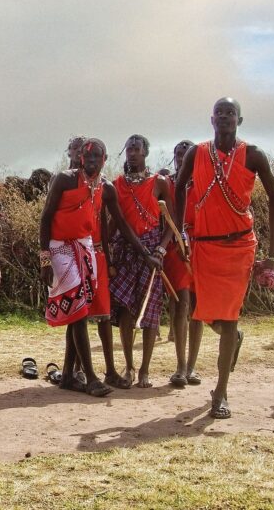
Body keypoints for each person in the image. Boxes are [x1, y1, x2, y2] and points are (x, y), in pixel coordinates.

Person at [174, 98, 274, 419]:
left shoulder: (254, 154)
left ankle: (220, 392)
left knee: (230, 316)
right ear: (211, 119)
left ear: (239, 119)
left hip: (239, 248)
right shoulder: (197, 153)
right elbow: (179, 188)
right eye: (219, 113)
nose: (224, 117)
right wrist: (180, 234)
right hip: (203, 247)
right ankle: (232, 338)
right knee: (202, 312)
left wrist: (273, 256)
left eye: (230, 113)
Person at [40, 139, 161, 398]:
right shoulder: (65, 180)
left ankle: (69, 375)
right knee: (80, 310)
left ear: (105, 159)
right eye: (87, 155)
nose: (92, 160)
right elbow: (46, 217)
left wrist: (145, 254)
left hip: (86, 248)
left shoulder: (106, 188)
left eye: (97, 155)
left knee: (78, 310)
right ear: (81, 158)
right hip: (60, 248)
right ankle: (92, 377)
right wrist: (45, 259)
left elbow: (122, 224)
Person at [109, 135, 173, 388]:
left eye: (137, 149)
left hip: (152, 254)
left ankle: (145, 369)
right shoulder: (117, 185)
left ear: (146, 152)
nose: (132, 154)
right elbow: (114, 221)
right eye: (129, 150)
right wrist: (107, 250)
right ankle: (129, 367)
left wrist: (161, 249)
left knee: (150, 311)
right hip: (125, 251)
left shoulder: (159, 183)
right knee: (125, 309)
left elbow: (171, 223)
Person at [165, 140, 203, 386]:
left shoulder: (205, 183)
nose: (181, 158)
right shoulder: (167, 183)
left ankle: (192, 366)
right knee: (181, 303)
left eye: (186, 154)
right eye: (178, 154)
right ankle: (179, 366)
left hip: (201, 246)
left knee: (198, 307)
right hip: (175, 246)